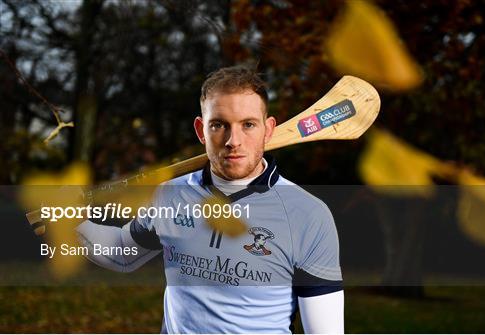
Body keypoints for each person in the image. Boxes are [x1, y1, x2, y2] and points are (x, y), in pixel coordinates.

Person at [77, 65, 344, 333]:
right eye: (219, 125)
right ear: (200, 130)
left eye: (248, 124)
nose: (233, 140)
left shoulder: (307, 214)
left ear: (269, 129)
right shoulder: (170, 195)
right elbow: (123, 253)